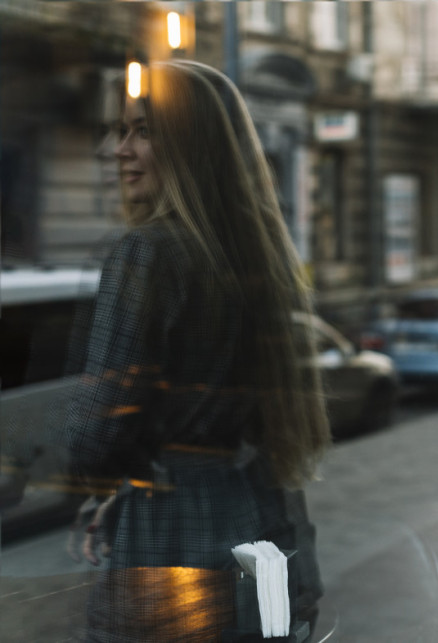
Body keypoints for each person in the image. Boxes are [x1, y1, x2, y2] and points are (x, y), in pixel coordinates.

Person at [65, 59, 330, 641]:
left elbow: (96, 433)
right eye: (119, 131)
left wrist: (96, 470)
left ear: (189, 146)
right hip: (251, 510)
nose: (119, 149)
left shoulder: (148, 254)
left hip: (171, 527)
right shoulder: (257, 257)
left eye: (143, 131)